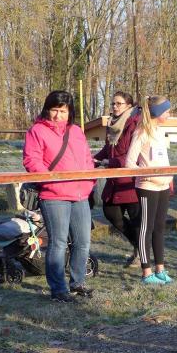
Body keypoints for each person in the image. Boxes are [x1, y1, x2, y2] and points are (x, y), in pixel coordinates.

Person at [23, 90, 96, 303]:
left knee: (83, 241)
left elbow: (87, 158)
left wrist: (89, 181)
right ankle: (58, 289)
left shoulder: (76, 131)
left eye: (63, 111)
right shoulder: (37, 131)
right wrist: (51, 180)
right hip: (54, 195)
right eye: (54, 110)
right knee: (59, 242)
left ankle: (77, 282)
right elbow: (32, 160)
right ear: (47, 109)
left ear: (70, 112)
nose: (58, 115)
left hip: (80, 194)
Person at [126, 95, 174, 285]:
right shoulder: (141, 132)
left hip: (163, 186)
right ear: (157, 112)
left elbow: (163, 159)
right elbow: (130, 163)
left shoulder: (160, 132)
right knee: (146, 228)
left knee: (160, 227)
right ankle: (147, 272)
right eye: (167, 111)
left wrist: (169, 177)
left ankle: (160, 269)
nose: (169, 114)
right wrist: (147, 175)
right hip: (147, 187)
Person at [93, 91, 142, 267]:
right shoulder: (112, 124)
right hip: (114, 180)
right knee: (111, 213)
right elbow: (108, 149)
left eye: (118, 103)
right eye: (113, 103)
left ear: (128, 106)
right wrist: (93, 159)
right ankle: (139, 245)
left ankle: (141, 254)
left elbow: (133, 154)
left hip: (131, 181)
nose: (114, 106)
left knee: (136, 219)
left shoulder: (134, 124)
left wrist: (110, 162)